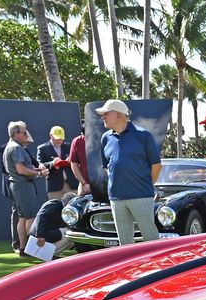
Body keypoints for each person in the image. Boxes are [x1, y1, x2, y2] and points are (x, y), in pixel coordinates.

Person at [97, 99, 161, 245]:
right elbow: (107, 167)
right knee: (124, 245)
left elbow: (156, 165)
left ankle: (158, 268)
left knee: (151, 240)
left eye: (106, 113)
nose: (103, 117)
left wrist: (145, 186)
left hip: (141, 196)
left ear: (118, 114)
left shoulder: (143, 135)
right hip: (116, 199)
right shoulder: (105, 138)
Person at [3, 120, 49, 254]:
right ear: (16, 133)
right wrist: (40, 173)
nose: (27, 135)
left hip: (18, 185)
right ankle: (31, 249)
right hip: (21, 185)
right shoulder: (16, 148)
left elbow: (23, 168)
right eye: (24, 133)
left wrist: (35, 170)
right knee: (30, 217)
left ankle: (24, 248)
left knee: (23, 217)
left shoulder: (12, 146)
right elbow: (21, 169)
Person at [28, 194, 75, 258]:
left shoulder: (61, 209)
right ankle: (50, 253)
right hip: (38, 237)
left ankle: (51, 253)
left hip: (45, 235)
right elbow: (42, 216)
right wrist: (40, 235)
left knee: (72, 240)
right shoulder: (55, 203)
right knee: (70, 233)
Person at [37, 125, 78, 199]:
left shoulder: (69, 146)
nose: (59, 140)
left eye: (61, 138)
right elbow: (40, 164)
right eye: (56, 138)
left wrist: (71, 159)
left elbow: (78, 161)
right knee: (56, 207)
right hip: (55, 186)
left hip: (72, 184)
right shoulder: (42, 148)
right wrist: (52, 163)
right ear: (50, 136)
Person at [68, 129, 89, 196]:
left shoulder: (102, 138)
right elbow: (74, 164)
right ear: (82, 133)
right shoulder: (77, 141)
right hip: (84, 183)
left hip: (103, 183)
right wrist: (84, 183)